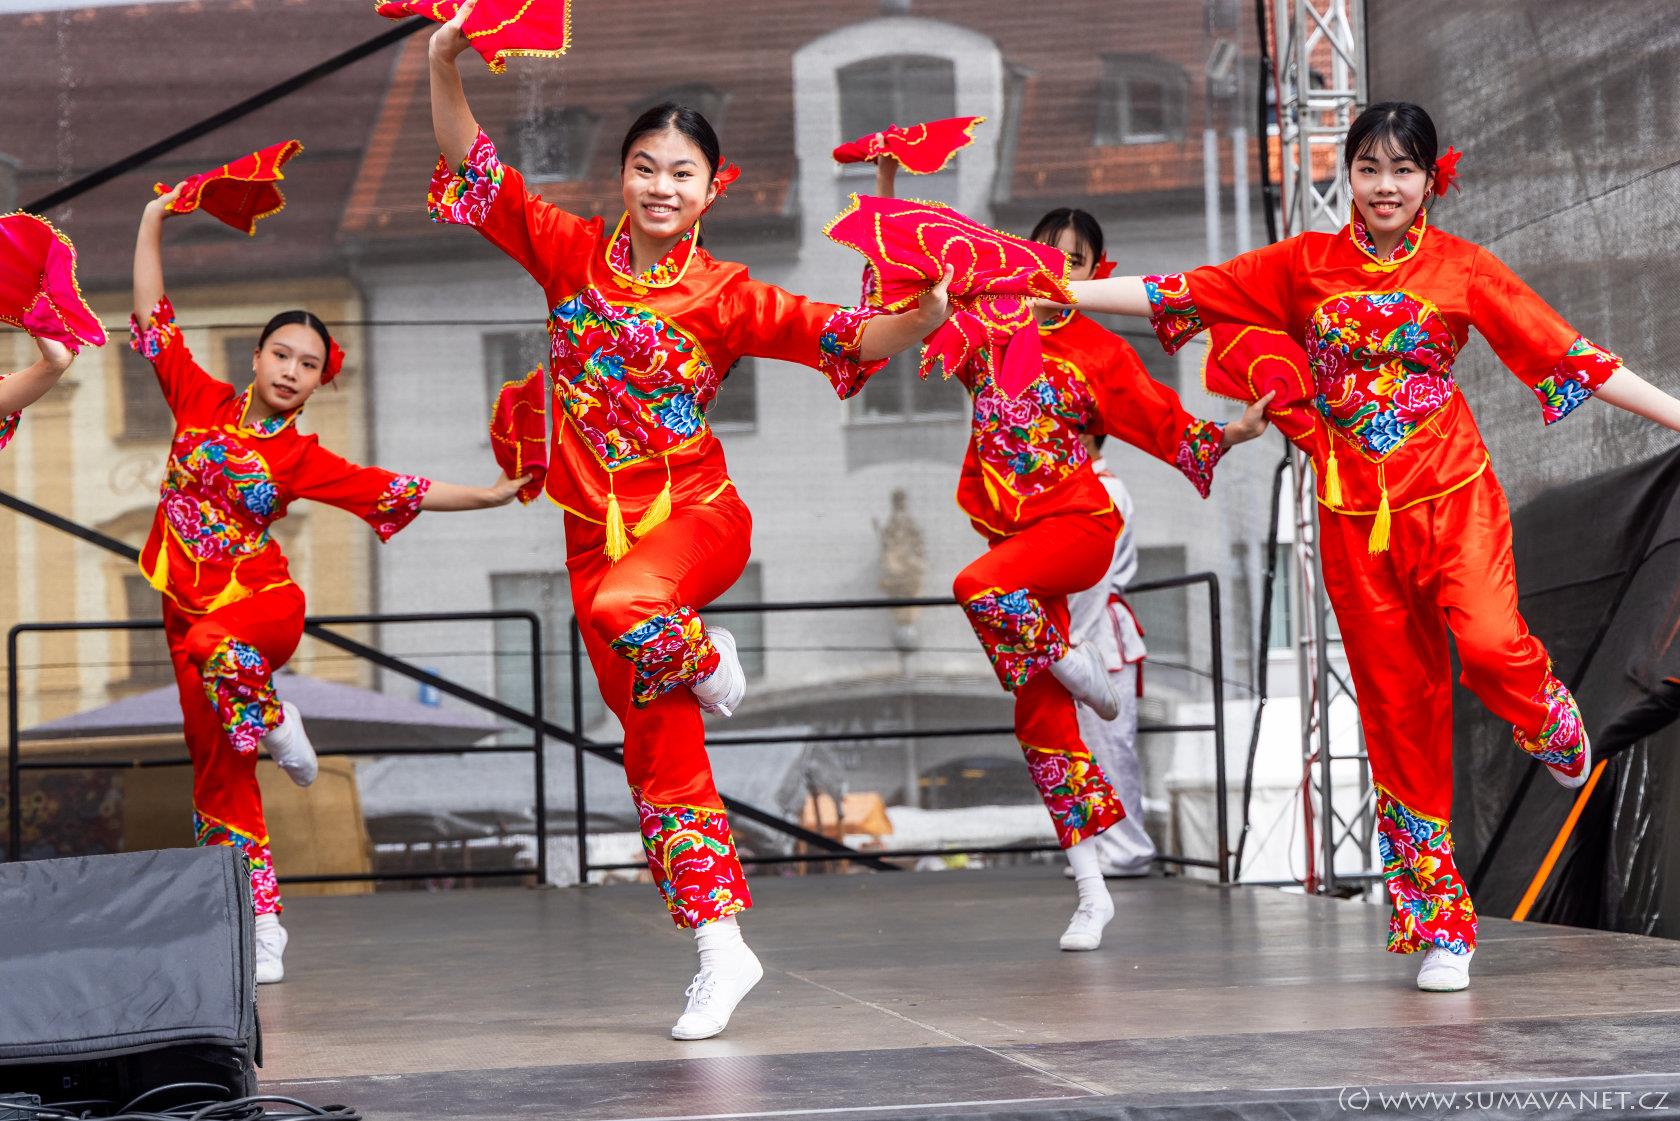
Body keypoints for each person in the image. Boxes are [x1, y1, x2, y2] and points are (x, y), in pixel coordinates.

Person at [427, 0, 949, 1040]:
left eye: (682, 173)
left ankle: (712, 659)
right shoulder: (569, 254)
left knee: (631, 611)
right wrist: (445, 59)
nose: (661, 187)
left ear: (714, 189)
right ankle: (722, 948)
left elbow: (847, 334)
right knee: (656, 753)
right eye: (645, 168)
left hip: (694, 521)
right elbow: (475, 164)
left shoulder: (726, 294)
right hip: (593, 543)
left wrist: (929, 310)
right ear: (621, 177)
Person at [1071, 100, 1680, 992]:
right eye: (1368, 168)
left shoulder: (1464, 268)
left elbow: (1576, 356)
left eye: (1403, 169)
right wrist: (1058, 293)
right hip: (1352, 515)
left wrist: (1679, 413)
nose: (1385, 185)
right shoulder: (1302, 264)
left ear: (1432, 178)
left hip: (1453, 495)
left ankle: (1542, 708)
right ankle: (1442, 925)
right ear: (1349, 175)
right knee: (1398, 715)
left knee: (1487, 643)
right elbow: (1182, 292)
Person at [859, 165, 1266, 951]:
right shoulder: (985, 329)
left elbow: (1164, 423)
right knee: (1040, 720)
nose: (1054, 266)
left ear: (1093, 272)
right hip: (1015, 545)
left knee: (973, 585)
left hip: (1079, 525)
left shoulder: (1099, 351)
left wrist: (1232, 433)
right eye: (1044, 251)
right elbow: (903, 296)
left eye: (1073, 259)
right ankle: (1091, 890)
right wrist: (886, 182)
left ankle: (1079, 665)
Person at [134, 183, 526, 984]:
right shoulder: (197, 398)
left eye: (308, 365)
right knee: (218, 774)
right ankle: (260, 922)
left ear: (317, 383)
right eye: (282, 354)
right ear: (255, 356)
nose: (292, 370)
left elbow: (391, 486)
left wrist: (487, 494)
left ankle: (279, 718)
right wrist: (151, 219)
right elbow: (152, 316)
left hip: (260, 609)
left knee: (217, 647)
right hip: (187, 619)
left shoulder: (301, 456)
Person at [1065, 432, 1155, 878]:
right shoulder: (1081, 486)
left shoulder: (1105, 489)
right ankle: (1105, 846)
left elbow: (1094, 575)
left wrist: (1068, 641)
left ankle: (1126, 847)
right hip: (1083, 628)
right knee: (1086, 745)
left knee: (1110, 744)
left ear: (1084, 434)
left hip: (1095, 628)